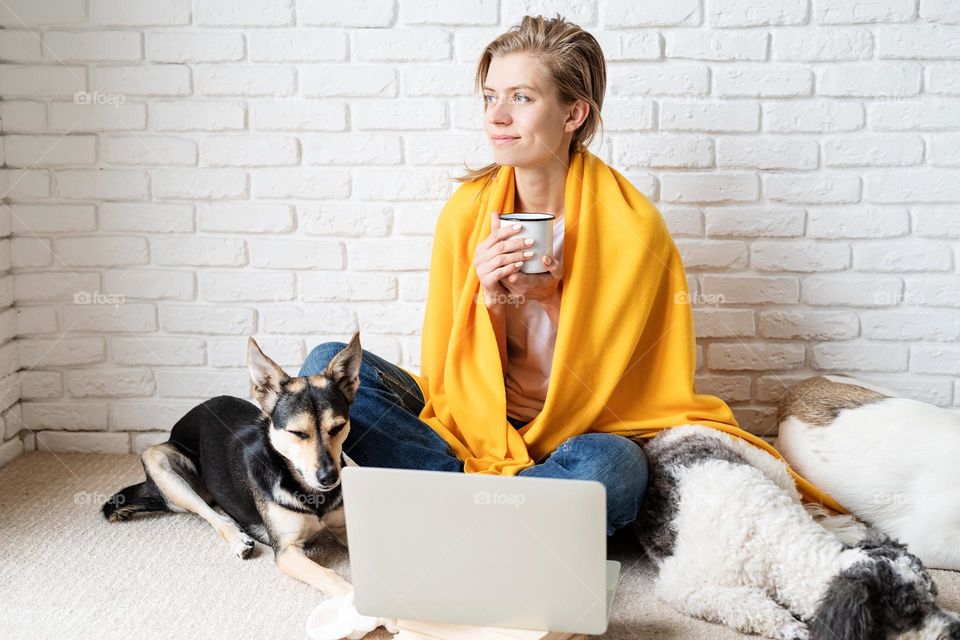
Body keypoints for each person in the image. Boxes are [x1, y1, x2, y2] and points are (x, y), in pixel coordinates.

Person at [301, 15, 737, 537]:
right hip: (470, 421)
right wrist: (489, 302)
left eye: (521, 98)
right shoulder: (468, 211)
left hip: (575, 432)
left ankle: (452, 506)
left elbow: (617, 386)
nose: (497, 117)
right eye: (490, 98)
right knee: (326, 364)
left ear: (574, 112)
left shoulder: (633, 226)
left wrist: (552, 301)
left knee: (614, 467)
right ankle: (510, 512)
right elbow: (451, 369)